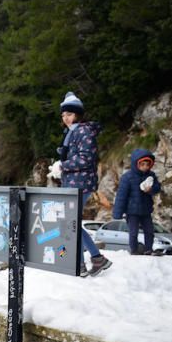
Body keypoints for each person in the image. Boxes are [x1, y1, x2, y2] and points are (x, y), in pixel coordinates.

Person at [54, 91, 112, 276]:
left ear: (78, 114)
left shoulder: (83, 131)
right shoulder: (71, 133)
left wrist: (62, 165)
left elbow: (86, 159)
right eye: (63, 115)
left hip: (82, 184)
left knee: (71, 224)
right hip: (74, 184)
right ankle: (94, 259)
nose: (66, 118)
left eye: (69, 114)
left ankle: (83, 263)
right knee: (73, 224)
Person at [112, 149, 161, 255]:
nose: (145, 167)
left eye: (147, 165)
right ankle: (134, 250)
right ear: (136, 164)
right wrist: (117, 213)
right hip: (132, 212)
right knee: (133, 233)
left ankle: (148, 249)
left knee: (149, 232)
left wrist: (151, 190)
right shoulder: (127, 177)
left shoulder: (151, 176)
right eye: (142, 164)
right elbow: (121, 196)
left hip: (146, 210)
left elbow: (157, 188)